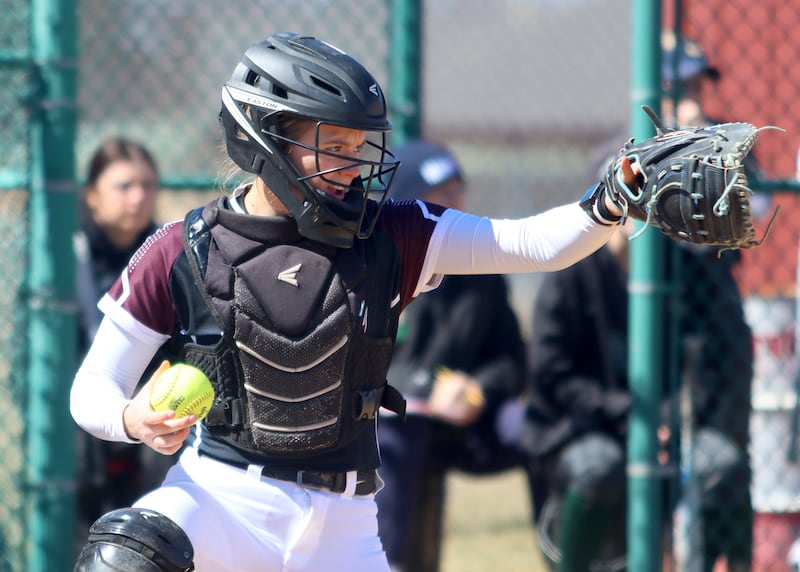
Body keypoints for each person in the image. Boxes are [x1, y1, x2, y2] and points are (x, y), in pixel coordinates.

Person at [69, 31, 638, 572]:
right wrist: (130, 418)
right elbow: (89, 391)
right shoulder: (183, 247)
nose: (352, 166)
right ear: (264, 137)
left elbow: (535, 244)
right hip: (220, 499)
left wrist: (612, 197)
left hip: (343, 522)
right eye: (331, 146)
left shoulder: (392, 234)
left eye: (358, 147)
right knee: (128, 555)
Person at [518, 33, 754, 572]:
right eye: (626, 200)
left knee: (723, 464)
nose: (638, 214)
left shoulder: (684, 268)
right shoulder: (573, 272)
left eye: (646, 199)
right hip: (582, 428)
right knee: (601, 465)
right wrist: (635, 417)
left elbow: (717, 350)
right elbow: (553, 375)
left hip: (669, 423)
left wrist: (682, 420)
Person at [374, 139, 526, 572]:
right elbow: (369, 365)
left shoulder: (480, 270)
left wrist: (479, 388)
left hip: (468, 423)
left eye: (459, 191)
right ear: (407, 204)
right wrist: (428, 388)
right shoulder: (377, 267)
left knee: (545, 432)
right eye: (441, 194)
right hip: (397, 421)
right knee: (396, 434)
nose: (456, 203)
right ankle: (390, 564)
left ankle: (569, 556)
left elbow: (514, 362)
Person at [73, 137, 177, 551]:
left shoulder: (169, 253)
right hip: (80, 427)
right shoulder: (67, 255)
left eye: (148, 185)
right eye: (124, 186)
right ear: (92, 195)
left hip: (157, 415)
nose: (139, 197)